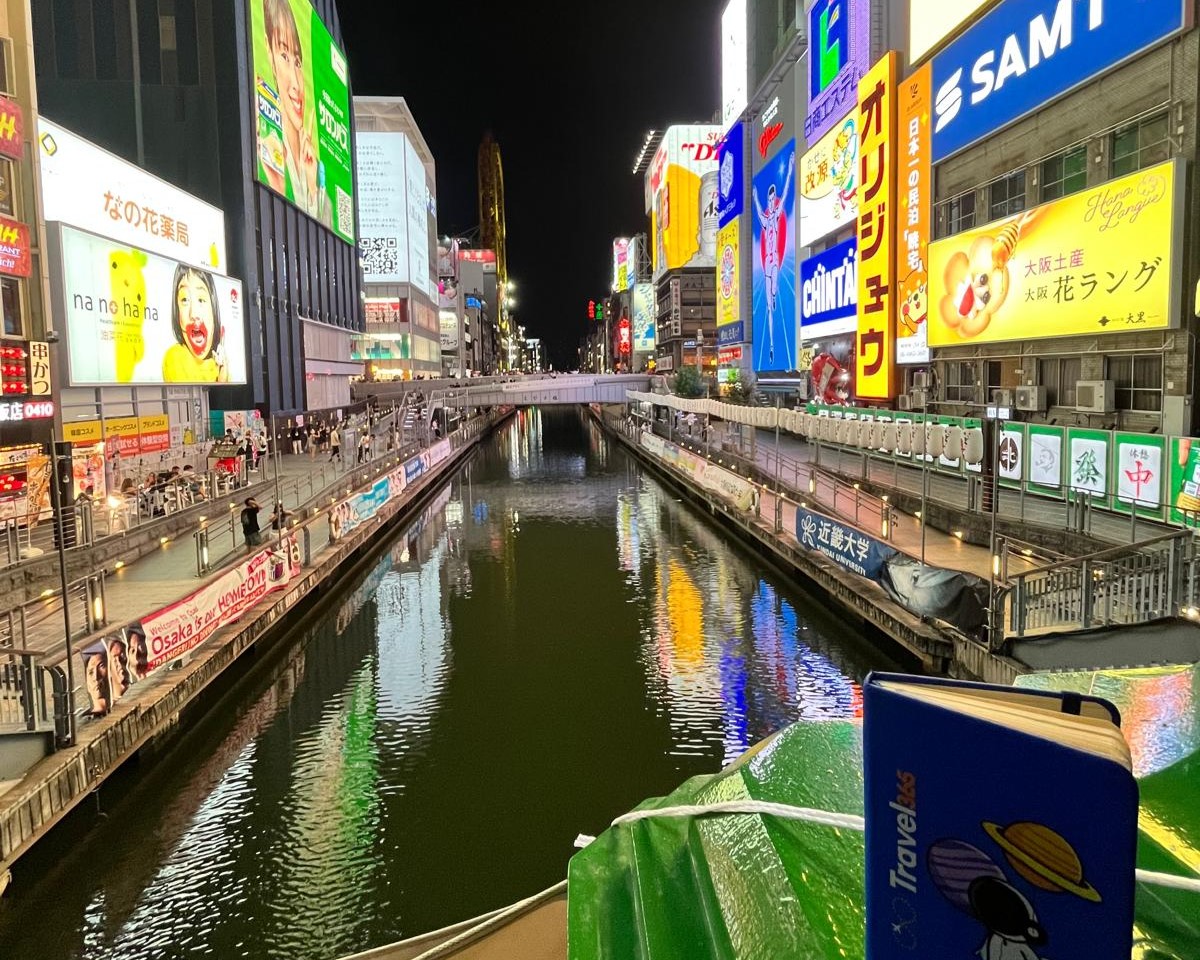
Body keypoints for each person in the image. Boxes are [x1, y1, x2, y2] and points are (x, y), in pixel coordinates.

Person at [258, 0, 327, 225]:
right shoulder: (267, 145)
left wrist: (313, 188)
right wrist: (277, 187)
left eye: (297, 62)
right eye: (284, 56)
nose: (297, 83)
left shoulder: (316, 166)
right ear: (268, 51)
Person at [753, 148, 795, 369]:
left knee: (775, 291)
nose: (770, 202)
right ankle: (770, 345)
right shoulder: (765, 218)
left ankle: (774, 294)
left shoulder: (777, 214)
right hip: (767, 262)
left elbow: (787, 193)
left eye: (771, 199)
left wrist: (789, 171)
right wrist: (753, 198)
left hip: (775, 260)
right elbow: (758, 208)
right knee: (769, 307)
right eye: (768, 199)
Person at [162, 265, 227, 382]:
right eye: (185, 300)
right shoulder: (174, 358)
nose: (193, 313)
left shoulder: (220, 364)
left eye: (201, 300)